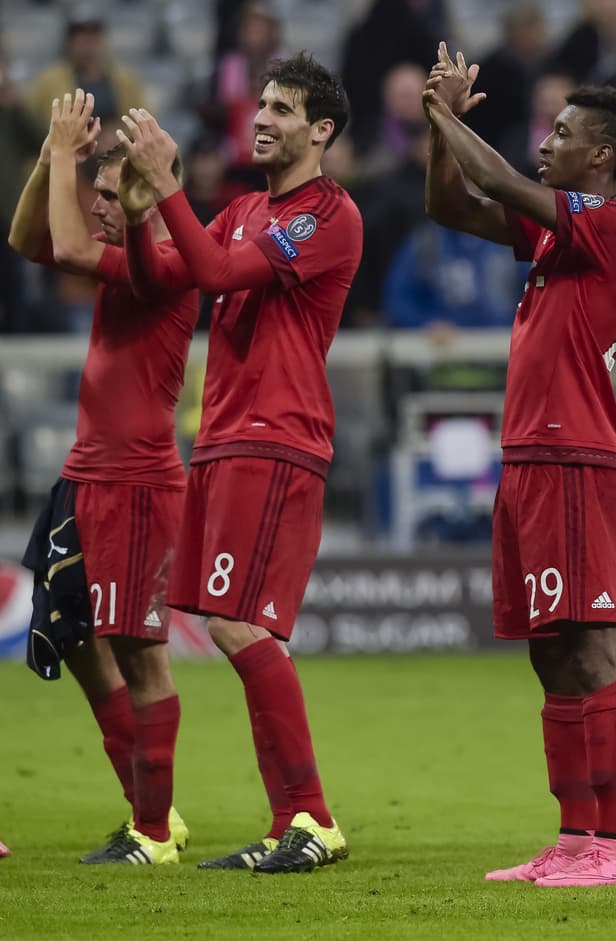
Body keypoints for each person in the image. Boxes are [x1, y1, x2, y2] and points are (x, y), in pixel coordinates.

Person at [115, 52, 362, 874]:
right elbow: (170, 286)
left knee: (238, 624)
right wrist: (149, 212)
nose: (261, 118)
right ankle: (292, 816)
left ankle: (313, 817)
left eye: (281, 109)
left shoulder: (327, 214)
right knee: (236, 630)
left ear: (320, 129)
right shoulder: (245, 208)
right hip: (222, 436)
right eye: (259, 104)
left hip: (278, 436)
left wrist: (170, 190)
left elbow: (218, 273)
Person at [421, 41, 616, 887]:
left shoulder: (615, 225)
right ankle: (573, 836)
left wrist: (447, 114)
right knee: (548, 652)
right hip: (527, 457)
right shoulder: (555, 240)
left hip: (576, 454)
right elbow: (452, 206)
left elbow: (505, 185)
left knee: (594, 643)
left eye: (560, 133)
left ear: (599, 155)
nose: (544, 142)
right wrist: (434, 130)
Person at [8, 89, 197, 864]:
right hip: (84, 478)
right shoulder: (119, 255)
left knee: (141, 651)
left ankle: (155, 831)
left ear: (152, 193)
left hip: (138, 484)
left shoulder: (169, 264)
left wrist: (62, 153)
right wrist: (52, 161)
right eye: (98, 196)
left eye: (115, 196)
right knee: (78, 643)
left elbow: (73, 250)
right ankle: (148, 809)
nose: (101, 209)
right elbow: (28, 239)